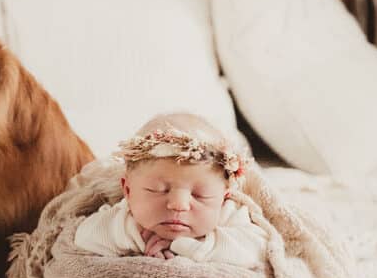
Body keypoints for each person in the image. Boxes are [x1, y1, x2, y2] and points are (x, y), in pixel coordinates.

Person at [74, 112, 268, 267]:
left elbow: (260, 251)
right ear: (128, 190)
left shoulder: (228, 214)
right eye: (157, 190)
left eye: (200, 195)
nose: (178, 205)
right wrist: (135, 238)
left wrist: (186, 246)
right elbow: (83, 237)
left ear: (223, 198)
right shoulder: (126, 217)